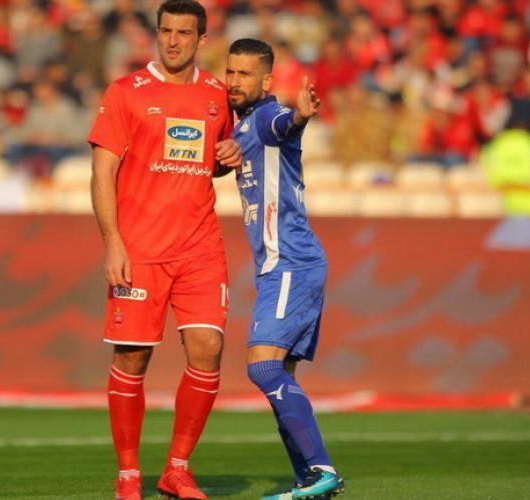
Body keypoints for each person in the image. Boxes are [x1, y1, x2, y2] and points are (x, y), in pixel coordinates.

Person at [87, 1, 241, 499]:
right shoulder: (126, 92)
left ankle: (177, 468)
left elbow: (212, 160)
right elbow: (102, 172)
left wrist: (228, 156)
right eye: (166, 31)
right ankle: (128, 475)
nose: (173, 41)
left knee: (209, 349)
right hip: (140, 249)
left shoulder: (217, 94)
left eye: (184, 33)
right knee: (132, 359)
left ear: (201, 39)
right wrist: (113, 243)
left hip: (200, 247)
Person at [223, 38, 344, 500]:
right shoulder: (241, 124)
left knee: (263, 368)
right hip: (285, 264)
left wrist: (300, 115)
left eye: (245, 74)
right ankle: (309, 480)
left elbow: (284, 123)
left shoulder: (266, 117)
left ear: (266, 80)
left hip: (290, 261)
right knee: (279, 377)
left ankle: (321, 470)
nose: (235, 81)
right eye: (230, 72)